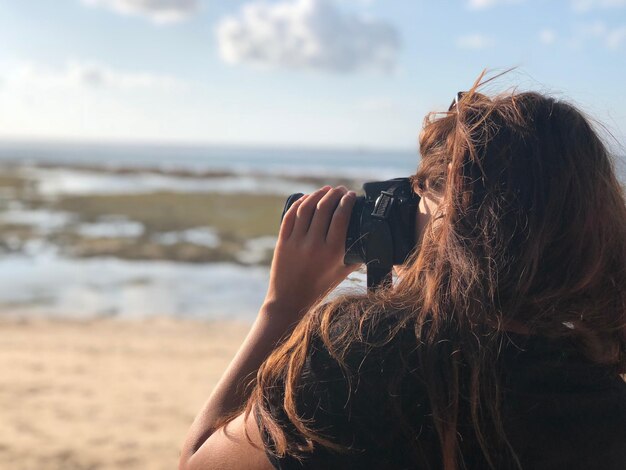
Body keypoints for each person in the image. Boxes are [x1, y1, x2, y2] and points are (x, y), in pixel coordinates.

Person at [178, 71, 626, 470]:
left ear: (454, 208)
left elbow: (198, 463)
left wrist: (283, 307)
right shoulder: (603, 398)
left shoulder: (353, 360)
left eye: (420, 193)